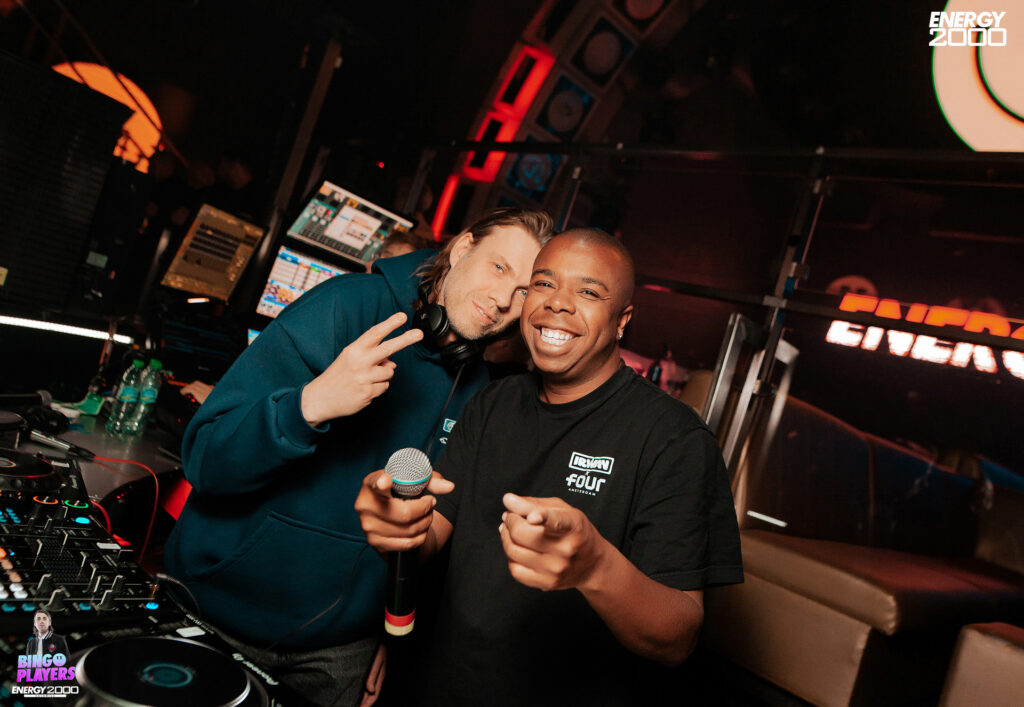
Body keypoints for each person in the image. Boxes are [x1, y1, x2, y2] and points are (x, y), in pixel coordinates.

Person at [165, 206, 555, 707]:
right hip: (213, 611)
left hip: (340, 652)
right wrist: (310, 405)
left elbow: (422, 532)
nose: (503, 299)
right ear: (462, 248)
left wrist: (387, 632)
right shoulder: (346, 306)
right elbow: (205, 460)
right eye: (499, 267)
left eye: (523, 291)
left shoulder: (476, 384)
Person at [355, 229, 743, 705]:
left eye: (588, 292)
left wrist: (596, 566)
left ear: (622, 320)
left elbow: (677, 638)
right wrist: (399, 524)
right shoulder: (492, 402)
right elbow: (434, 533)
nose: (557, 302)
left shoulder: (674, 439)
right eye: (543, 283)